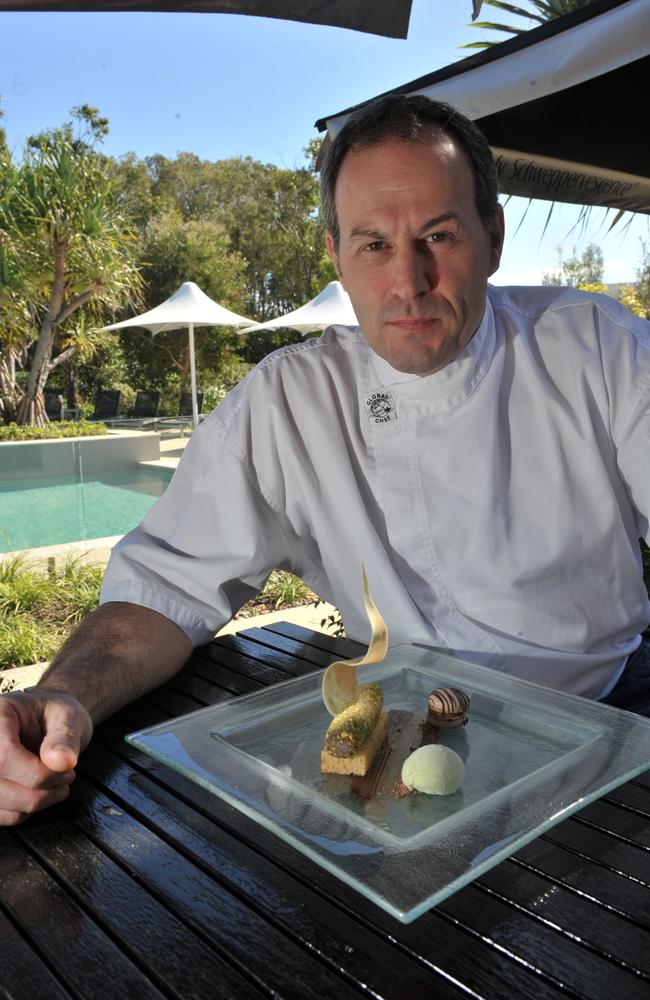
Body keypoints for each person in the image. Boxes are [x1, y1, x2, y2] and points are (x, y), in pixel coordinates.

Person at [1, 94, 649, 826]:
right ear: (337, 257)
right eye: (374, 245)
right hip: (396, 732)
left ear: (492, 236)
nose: (409, 283)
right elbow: (161, 588)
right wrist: (61, 697)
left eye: (438, 235)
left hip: (606, 712)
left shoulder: (597, 348)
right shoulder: (290, 400)